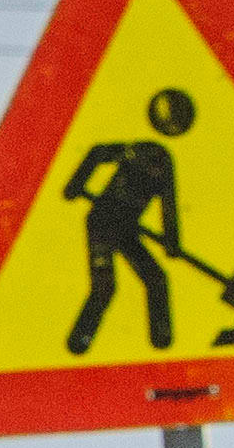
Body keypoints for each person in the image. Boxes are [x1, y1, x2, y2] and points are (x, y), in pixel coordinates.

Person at [59, 84, 197, 356]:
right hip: (102, 221)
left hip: (126, 229)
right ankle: (78, 342)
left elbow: (168, 206)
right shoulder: (141, 151)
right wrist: (75, 184)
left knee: (156, 279)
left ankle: (162, 341)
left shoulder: (164, 163)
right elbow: (98, 153)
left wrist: (172, 242)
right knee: (105, 287)